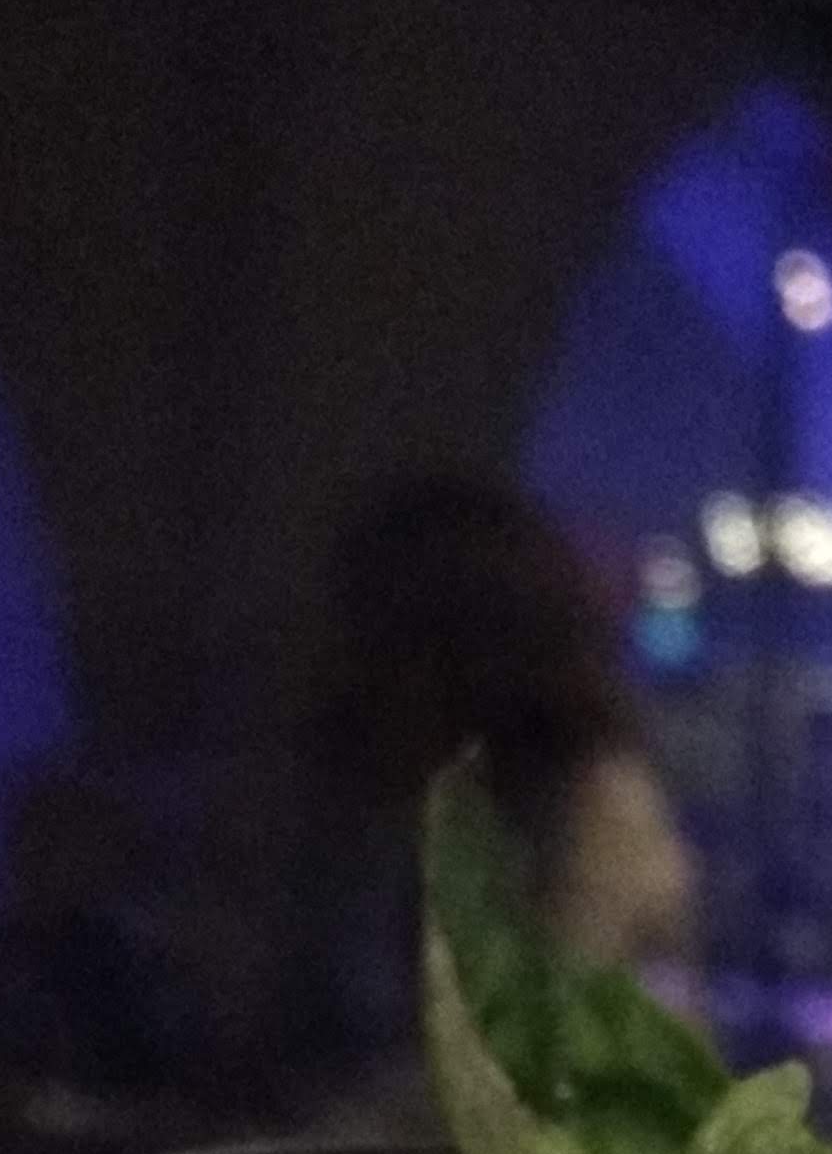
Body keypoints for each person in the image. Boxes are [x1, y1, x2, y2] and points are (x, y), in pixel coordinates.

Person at [289, 473, 701, 1116]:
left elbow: (539, 1080)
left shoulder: (595, 815)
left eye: (374, 639)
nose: (345, 669)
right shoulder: (385, 809)